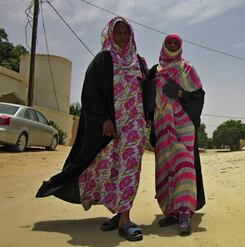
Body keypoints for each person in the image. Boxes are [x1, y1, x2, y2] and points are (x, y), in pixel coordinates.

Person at [36, 17, 148, 242]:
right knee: (111, 171)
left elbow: (148, 91)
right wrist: (104, 119)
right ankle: (120, 213)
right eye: (118, 33)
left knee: (130, 170)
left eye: (126, 33)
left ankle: (125, 219)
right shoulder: (104, 60)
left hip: (135, 128)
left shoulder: (139, 62)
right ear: (110, 34)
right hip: (111, 131)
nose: (123, 37)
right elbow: (90, 93)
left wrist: (150, 118)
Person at [144, 33, 206, 235]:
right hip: (162, 125)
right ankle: (171, 211)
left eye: (175, 43)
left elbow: (199, 96)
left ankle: (185, 212)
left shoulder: (187, 69)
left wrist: (179, 93)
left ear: (180, 47)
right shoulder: (155, 71)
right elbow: (147, 99)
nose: (172, 45)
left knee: (185, 164)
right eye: (169, 42)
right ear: (163, 45)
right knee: (166, 167)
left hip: (184, 125)